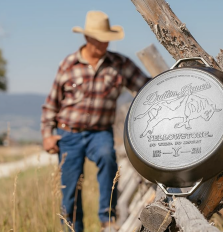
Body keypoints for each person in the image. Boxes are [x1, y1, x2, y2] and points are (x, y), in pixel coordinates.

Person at [41, 11, 150, 232]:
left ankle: (107, 218)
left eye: (106, 38)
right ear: (88, 38)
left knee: (107, 157)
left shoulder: (119, 64)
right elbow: (52, 103)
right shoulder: (69, 64)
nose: (104, 42)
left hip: (100, 132)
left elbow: (146, 86)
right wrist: (47, 134)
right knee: (70, 190)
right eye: (99, 38)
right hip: (68, 134)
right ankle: (72, 229)